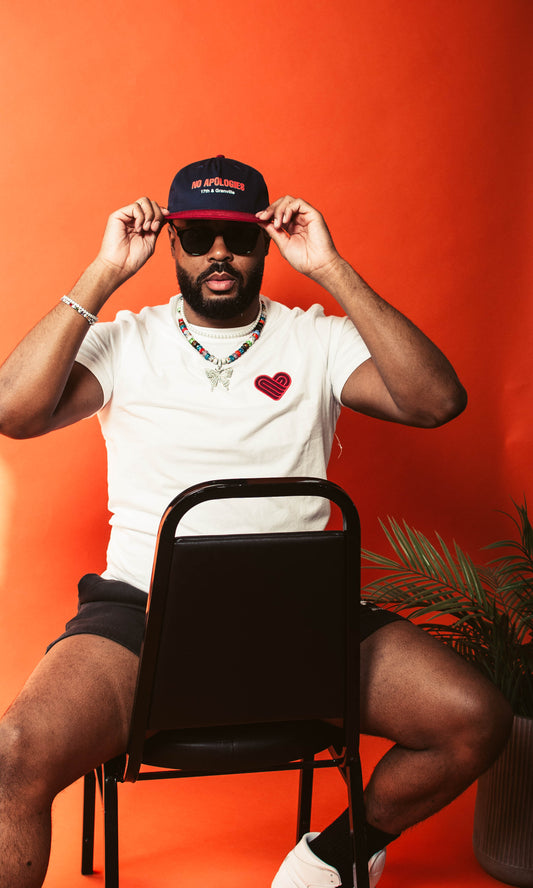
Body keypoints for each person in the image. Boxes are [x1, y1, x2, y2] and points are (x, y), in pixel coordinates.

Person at [0, 155, 512, 888]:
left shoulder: (316, 337)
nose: (218, 252)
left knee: (474, 718)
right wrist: (100, 274)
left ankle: (335, 854)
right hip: (143, 617)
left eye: (237, 236)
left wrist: (331, 268)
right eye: (200, 234)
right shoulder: (124, 339)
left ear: (265, 245)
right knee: (14, 754)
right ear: (171, 241)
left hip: (299, 618)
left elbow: (436, 403)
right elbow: (11, 413)